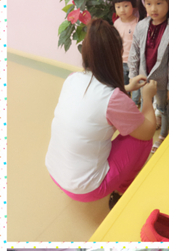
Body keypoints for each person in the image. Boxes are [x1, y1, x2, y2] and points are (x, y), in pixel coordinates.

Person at [45, 19, 157, 210]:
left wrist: (126, 87)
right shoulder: (113, 99)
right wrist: (147, 98)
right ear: (116, 56)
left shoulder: (72, 78)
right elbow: (147, 131)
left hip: (55, 171)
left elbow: (96, 99)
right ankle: (122, 191)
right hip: (86, 189)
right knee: (141, 139)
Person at [128, 0, 169, 151]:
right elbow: (134, 52)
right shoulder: (141, 25)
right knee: (145, 104)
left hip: (163, 81)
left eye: (159, 3)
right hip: (143, 77)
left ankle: (163, 135)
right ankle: (146, 128)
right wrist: (132, 75)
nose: (153, 8)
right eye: (149, 3)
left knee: (163, 107)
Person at [113, 0, 140, 106]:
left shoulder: (138, 23)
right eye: (118, 7)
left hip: (135, 62)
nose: (122, 10)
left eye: (125, 6)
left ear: (133, 5)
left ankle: (135, 104)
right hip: (121, 61)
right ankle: (125, 104)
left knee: (136, 86)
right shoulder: (116, 23)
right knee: (123, 84)